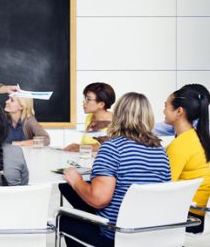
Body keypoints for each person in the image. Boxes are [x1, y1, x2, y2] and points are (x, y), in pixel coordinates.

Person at [59, 92, 171, 247]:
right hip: (150, 232)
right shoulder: (160, 151)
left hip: (116, 234)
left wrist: (77, 180)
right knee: (66, 188)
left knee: (65, 218)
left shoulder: (112, 147)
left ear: (118, 115)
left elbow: (99, 200)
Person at [163, 84, 210, 233]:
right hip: (200, 215)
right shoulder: (198, 137)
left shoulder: (179, 145)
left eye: (165, 106)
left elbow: (163, 187)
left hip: (187, 218)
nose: (163, 111)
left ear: (179, 111)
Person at [64, 82, 115, 152]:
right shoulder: (89, 117)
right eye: (85, 98)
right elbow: (87, 144)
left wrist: (80, 147)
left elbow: (111, 146)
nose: (84, 102)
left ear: (101, 104)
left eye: (88, 99)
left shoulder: (116, 121)